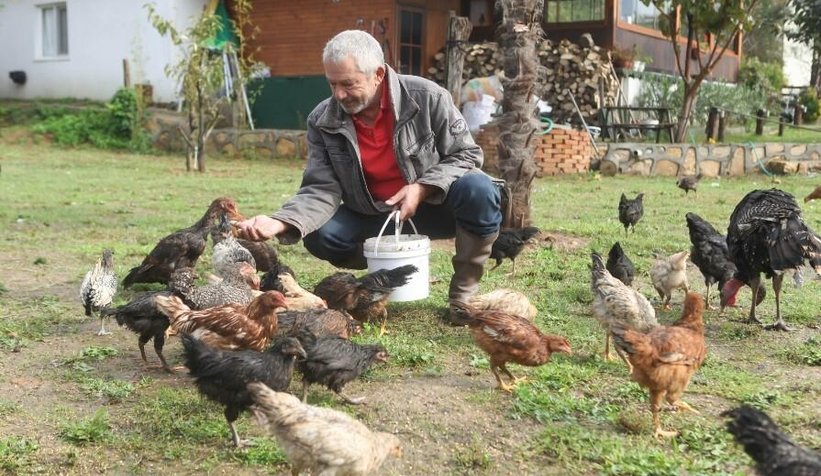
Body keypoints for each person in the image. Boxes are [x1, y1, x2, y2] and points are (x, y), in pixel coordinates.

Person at [236, 30, 502, 324]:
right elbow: (321, 188)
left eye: (348, 84)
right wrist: (280, 221)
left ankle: (462, 295)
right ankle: (380, 278)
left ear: (378, 74)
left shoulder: (428, 97)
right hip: (374, 216)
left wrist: (422, 187)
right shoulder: (322, 119)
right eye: (332, 84)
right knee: (322, 235)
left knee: (479, 188)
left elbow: (467, 155)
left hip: (437, 208)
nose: (338, 94)